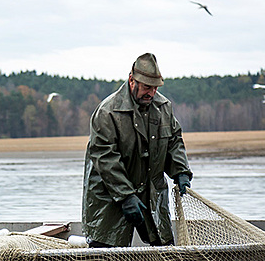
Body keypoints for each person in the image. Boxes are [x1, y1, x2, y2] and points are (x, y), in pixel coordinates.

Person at [82, 52, 192, 247]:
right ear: (132, 81)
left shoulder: (163, 107)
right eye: (147, 87)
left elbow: (174, 141)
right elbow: (105, 158)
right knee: (106, 254)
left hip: (151, 193)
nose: (152, 92)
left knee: (164, 251)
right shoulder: (107, 112)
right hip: (109, 198)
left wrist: (181, 171)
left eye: (156, 87)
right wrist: (125, 196)